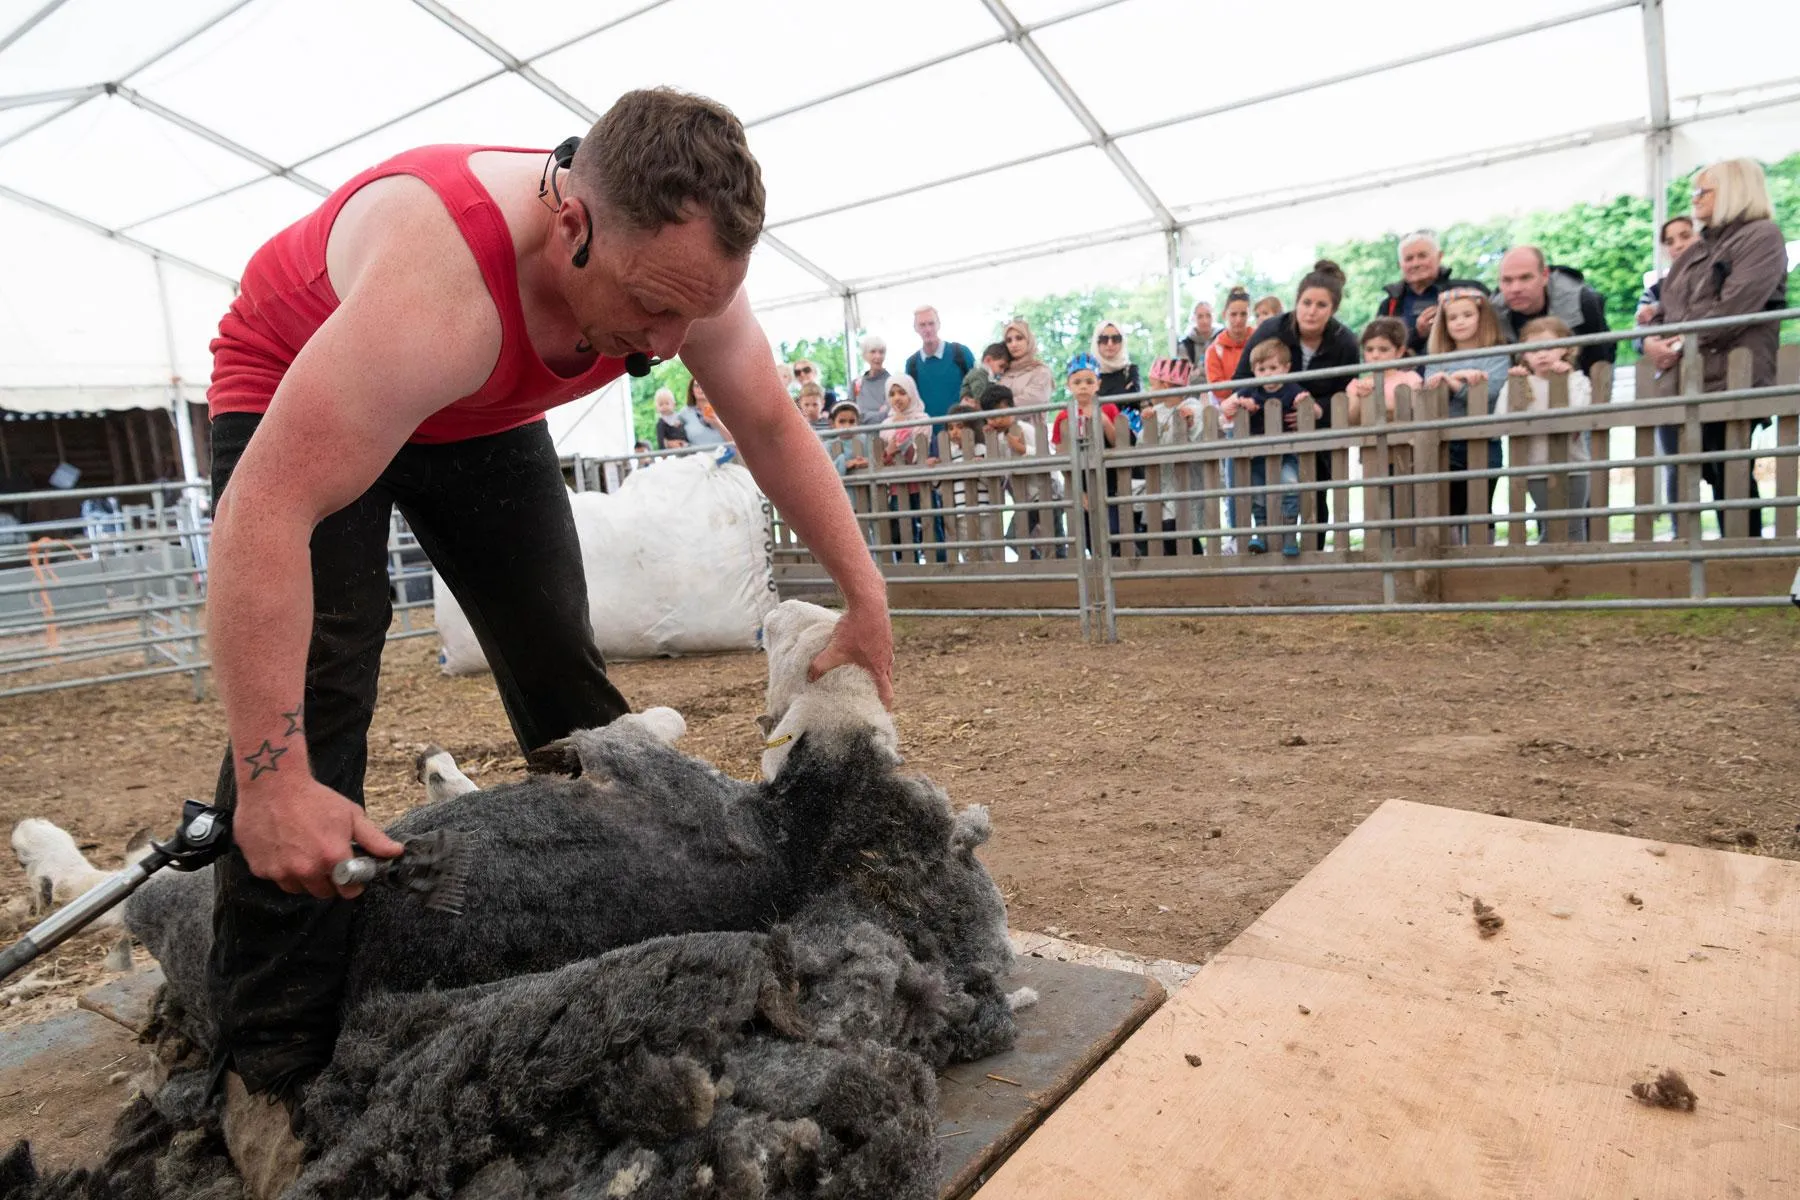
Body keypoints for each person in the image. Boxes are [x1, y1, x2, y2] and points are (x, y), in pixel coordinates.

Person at [198, 87, 894, 1178]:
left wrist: (865, 597)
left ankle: (624, 931)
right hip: (305, 370)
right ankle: (270, 1064)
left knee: (558, 661)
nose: (666, 349)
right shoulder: (438, 292)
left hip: (474, 404)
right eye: (650, 308)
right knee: (321, 686)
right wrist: (272, 774)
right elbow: (262, 515)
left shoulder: (675, 270)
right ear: (570, 224)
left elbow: (764, 418)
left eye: (691, 315)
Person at [1650, 157, 1789, 537]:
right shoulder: (1698, 248)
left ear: (1731, 191)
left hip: (1730, 375)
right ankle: (1723, 560)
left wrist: (1676, 341)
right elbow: (1664, 308)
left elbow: (1733, 307)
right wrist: (1653, 340)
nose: (1693, 199)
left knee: (1732, 471)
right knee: (1710, 471)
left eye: (1702, 191)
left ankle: (1745, 559)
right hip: (1690, 376)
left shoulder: (1762, 236)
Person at [1233, 261, 1359, 550]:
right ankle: (1267, 549)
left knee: (1315, 494)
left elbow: (1347, 392)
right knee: (1261, 492)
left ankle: (1312, 552)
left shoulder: (1346, 343)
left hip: (1317, 435)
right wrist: (1260, 401)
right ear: (1296, 302)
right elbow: (1241, 377)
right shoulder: (1270, 329)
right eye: (1306, 302)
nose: (1312, 311)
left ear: (1333, 309)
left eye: (1321, 305)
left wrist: (1316, 410)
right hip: (1266, 431)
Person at [1424, 288, 1512, 535]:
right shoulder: (1438, 357)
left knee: (1481, 505)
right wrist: (1461, 379)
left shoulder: (1497, 354)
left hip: (1486, 442)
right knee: (1450, 506)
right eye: (1452, 318)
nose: (1460, 321)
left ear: (1481, 316)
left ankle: (1481, 558)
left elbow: (1491, 391)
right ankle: (1454, 562)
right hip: (1448, 444)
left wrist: (1452, 383)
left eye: (1467, 315)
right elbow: (1429, 387)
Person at [1224, 340, 1317, 557]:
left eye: (1273, 368)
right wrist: (1236, 405)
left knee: (1290, 487)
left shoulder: (1292, 388)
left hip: (1285, 454)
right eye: (1261, 369)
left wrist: (1307, 404)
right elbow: (1225, 408)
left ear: (1286, 368)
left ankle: (1289, 534)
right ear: (1254, 372)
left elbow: (1316, 410)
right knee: (1258, 495)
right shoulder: (1250, 390)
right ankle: (1262, 534)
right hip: (1256, 456)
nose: (1268, 375)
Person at [1503, 316, 1592, 543]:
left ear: (1565, 348)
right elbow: (1502, 418)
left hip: (1575, 465)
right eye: (1533, 349)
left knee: (1574, 525)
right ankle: (1548, 571)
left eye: (1549, 347)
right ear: (1524, 354)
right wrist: (1516, 387)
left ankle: (1576, 571)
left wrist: (1564, 379)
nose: (1541, 354)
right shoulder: (1521, 382)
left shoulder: (1577, 380)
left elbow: (1580, 414)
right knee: (1551, 525)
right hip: (1537, 468)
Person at [1637, 215, 1699, 508]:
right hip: (1671, 385)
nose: (1678, 245)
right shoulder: (1656, 289)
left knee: (1725, 465)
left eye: (1685, 235)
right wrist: (1649, 341)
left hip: (1711, 379)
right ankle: (1680, 532)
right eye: (1670, 241)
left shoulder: (1714, 277)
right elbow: (1638, 334)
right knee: (1676, 464)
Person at [1491, 246, 1614, 374]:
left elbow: (1603, 356)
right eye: (1507, 280)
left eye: (1525, 278)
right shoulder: (1491, 313)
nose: (1515, 288)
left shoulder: (1582, 301)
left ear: (1544, 275)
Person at [980, 384, 1061, 560]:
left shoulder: (1026, 429)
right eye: (991, 416)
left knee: (1054, 538)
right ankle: (1038, 563)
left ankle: (1062, 568)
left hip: (1047, 493)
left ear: (1012, 409)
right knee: (1014, 538)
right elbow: (1000, 466)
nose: (997, 420)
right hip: (1025, 499)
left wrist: (1022, 448)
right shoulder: (998, 438)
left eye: (1001, 413)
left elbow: (1045, 456)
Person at [1373, 230, 1490, 354]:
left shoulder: (1469, 291)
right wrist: (1417, 334)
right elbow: (1378, 349)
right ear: (1399, 265)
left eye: (1422, 256)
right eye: (1409, 259)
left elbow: (1494, 331)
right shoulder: (1390, 304)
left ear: (1439, 257)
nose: (1416, 263)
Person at [1051, 353, 1121, 557]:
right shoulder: (1063, 417)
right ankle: (1098, 564)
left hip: (1110, 478)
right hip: (1079, 479)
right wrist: (1078, 491)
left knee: (1114, 527)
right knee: (1088, 532)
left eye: (1089, 381)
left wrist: (1105, 421)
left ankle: (1115, 561)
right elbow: (1061, 455)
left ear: (1098, 384)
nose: (1083, 386)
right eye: (1078, 382)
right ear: (1069, 384)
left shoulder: (1108, 408)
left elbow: (1119, 441)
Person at [1141, 357, 1204, 555]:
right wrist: (1149, 425)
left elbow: (1198, 436)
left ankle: (1196, 565)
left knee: (1185, 528)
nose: (1150, 390)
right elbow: (1142, 444)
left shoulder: (1193, 407)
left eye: (1153, 384)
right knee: (1166, 527)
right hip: (1163, 479)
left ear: (1166, 385)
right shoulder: (1157, 411)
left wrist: (1190, 421)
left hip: (1186, 478)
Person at [879, 373, 931, 560]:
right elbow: (883, 458)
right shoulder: (885, 425)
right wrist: (890, 451)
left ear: (912, 394)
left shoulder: (922, 419)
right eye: (892, 394)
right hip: (896, 487)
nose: (897, 398)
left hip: (919, 484)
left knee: (928, 526)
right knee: (903, 528)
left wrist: (901, 431)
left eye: (902, 392)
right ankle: (909, 563)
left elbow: (916, 456)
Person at [1345, 317, 1424, 425]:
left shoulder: (1411, 378)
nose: (1375, 355)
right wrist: (1359, 399)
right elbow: (1350, 421)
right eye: (1369, 349)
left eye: (1383, 349)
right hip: (1370, 441)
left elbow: (1415, 409)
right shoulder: (1356, 385)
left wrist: (1374, 398)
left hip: (1406, 440)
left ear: (1399, 352)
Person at [904, 305, 976, 420]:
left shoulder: (961, 353)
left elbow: (978, 388)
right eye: (922, 325)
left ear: (939, 325)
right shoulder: (911, 365)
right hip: (927, 434)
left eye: (931, 323)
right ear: (915, 328)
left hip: (964, 431)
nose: (927, 329)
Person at [996, 318, 1054, 415]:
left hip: (1032, 429)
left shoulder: (1041, 371)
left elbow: (1031, 402)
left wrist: (996, 408)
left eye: (1019, 338)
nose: (1013, 344)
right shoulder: (1002, 372)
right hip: (1003, 430)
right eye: (1009, 341)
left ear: (1029, 341)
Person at [1204, 288, 1254, 401]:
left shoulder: (1260, 340)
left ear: (1249, 314)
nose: (1238, 319)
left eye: (1243, 314)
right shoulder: (1214, 350)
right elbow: (1217, 389)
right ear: (1224, 315)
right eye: (1233, 314)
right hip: (1229, 410)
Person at [1092, 319, 1142, 403]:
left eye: (1116, 338)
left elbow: (1136, 403)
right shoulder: (1090, 372)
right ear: (1097, 342)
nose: (1110, 343)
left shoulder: (1130, 371)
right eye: (1104, 339)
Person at [850, 334, 890, 423]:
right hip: (860, 435)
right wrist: (879, 413)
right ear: (864, 355)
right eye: (873, 352)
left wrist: (862, 416)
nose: (878, 356)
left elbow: (889, 414)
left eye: (881, 352)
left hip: (885, 434)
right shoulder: (856, 384)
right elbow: (850, 415)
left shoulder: (892, 382)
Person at [677, 377, 728, 447]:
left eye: (704, 385)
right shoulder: (684, 413)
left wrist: (717, 424)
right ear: (692, 390)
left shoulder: (723, 409)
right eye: (697, 386)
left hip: (725, 454)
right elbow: (671, 430)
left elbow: (735, 441)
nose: (701, 389)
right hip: (697, 455)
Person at [828, 400, 870, 478]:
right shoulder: (828, 446)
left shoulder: (866, 441)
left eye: (852, 421)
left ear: (858, 422)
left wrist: (867, 462)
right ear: (832, 423)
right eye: (842, 421)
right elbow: (826, 471)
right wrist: (845, 464)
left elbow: (878, 462)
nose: (847, 426)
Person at [1176, 301, 1215, 366]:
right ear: (1193, 318)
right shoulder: (1185, 345)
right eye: (1200, 316)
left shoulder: (1221, 339)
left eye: (1208, 315)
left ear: (1214, 317)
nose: (1205, 321)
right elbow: (1185, 373)